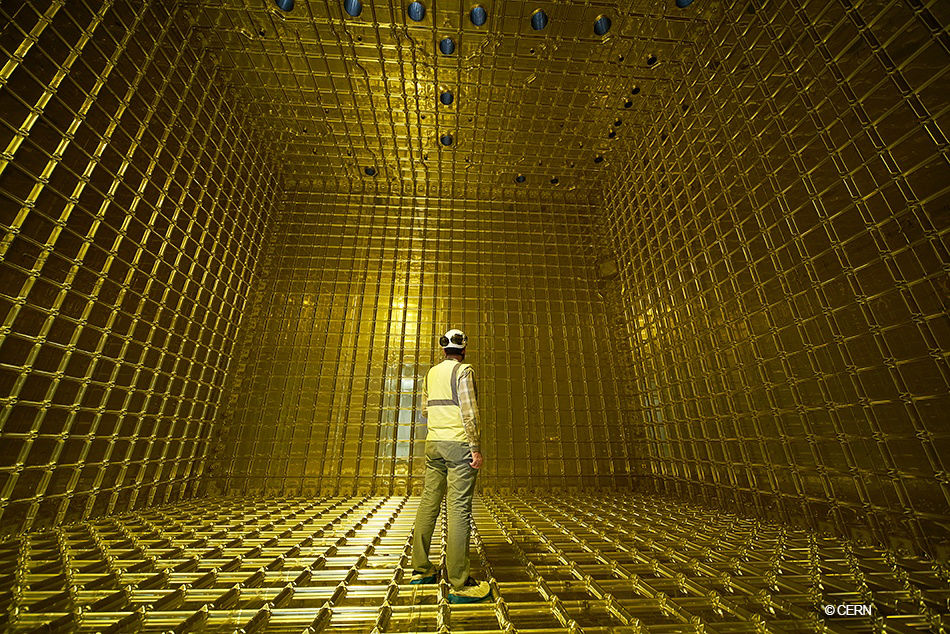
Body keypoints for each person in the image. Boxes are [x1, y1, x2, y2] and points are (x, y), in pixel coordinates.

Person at [409, 328, 492, 604]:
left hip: (433, 445)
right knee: (458, 509)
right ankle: (459, 582)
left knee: (429, 502)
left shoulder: (431, 374)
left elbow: (424, 410)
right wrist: (475, 448)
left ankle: (421, 569)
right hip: (459, 446)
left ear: (443, 349)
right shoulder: (464, 372)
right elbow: (469, 412)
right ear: (463, 350)